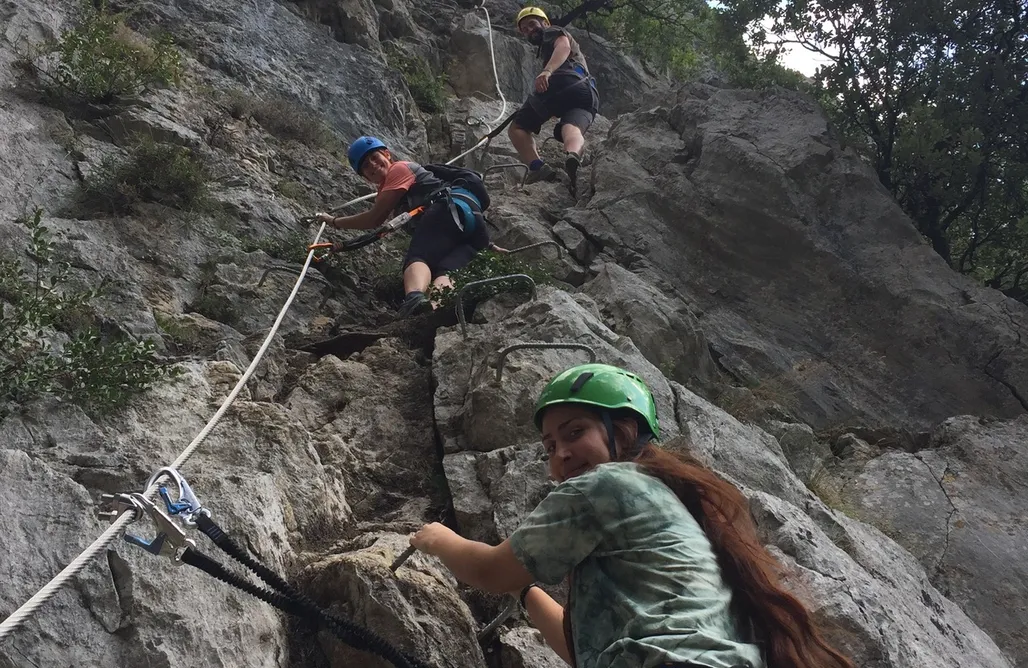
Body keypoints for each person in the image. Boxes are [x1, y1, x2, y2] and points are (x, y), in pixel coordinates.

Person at [410, 363, 854, 668]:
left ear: (621, 433)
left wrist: (437, 539)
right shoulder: (668, 506)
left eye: (574, 433)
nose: (561, 454)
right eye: (549, 447)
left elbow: (491, 571)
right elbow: (583, 651)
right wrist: (528, 593)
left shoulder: (608, 485)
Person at [316, 136, 504, 317]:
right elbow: (459, 221)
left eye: (374, 157)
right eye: (366, 165)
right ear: (364, 176)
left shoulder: (399, 169)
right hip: (472, 221)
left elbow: (374, 219)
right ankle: (433, 312)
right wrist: (488, 245)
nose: (372, 165)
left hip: (446, 210)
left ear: (387, 154)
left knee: (419, 257)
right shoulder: (396, 184)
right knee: (445, 269)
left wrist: (333, 221)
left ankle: (414, 300)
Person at [510, 7, 600, 196]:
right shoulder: (563, 48)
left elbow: (563, 47)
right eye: (524, 29)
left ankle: (537, 168)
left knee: (518, 128)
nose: (529, 30)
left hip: (564, 81)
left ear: (545, 23)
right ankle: (573, 155)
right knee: (571, 127)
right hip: (588, 94)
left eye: (532, 24)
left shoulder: (553, 31)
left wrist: (547, 71)